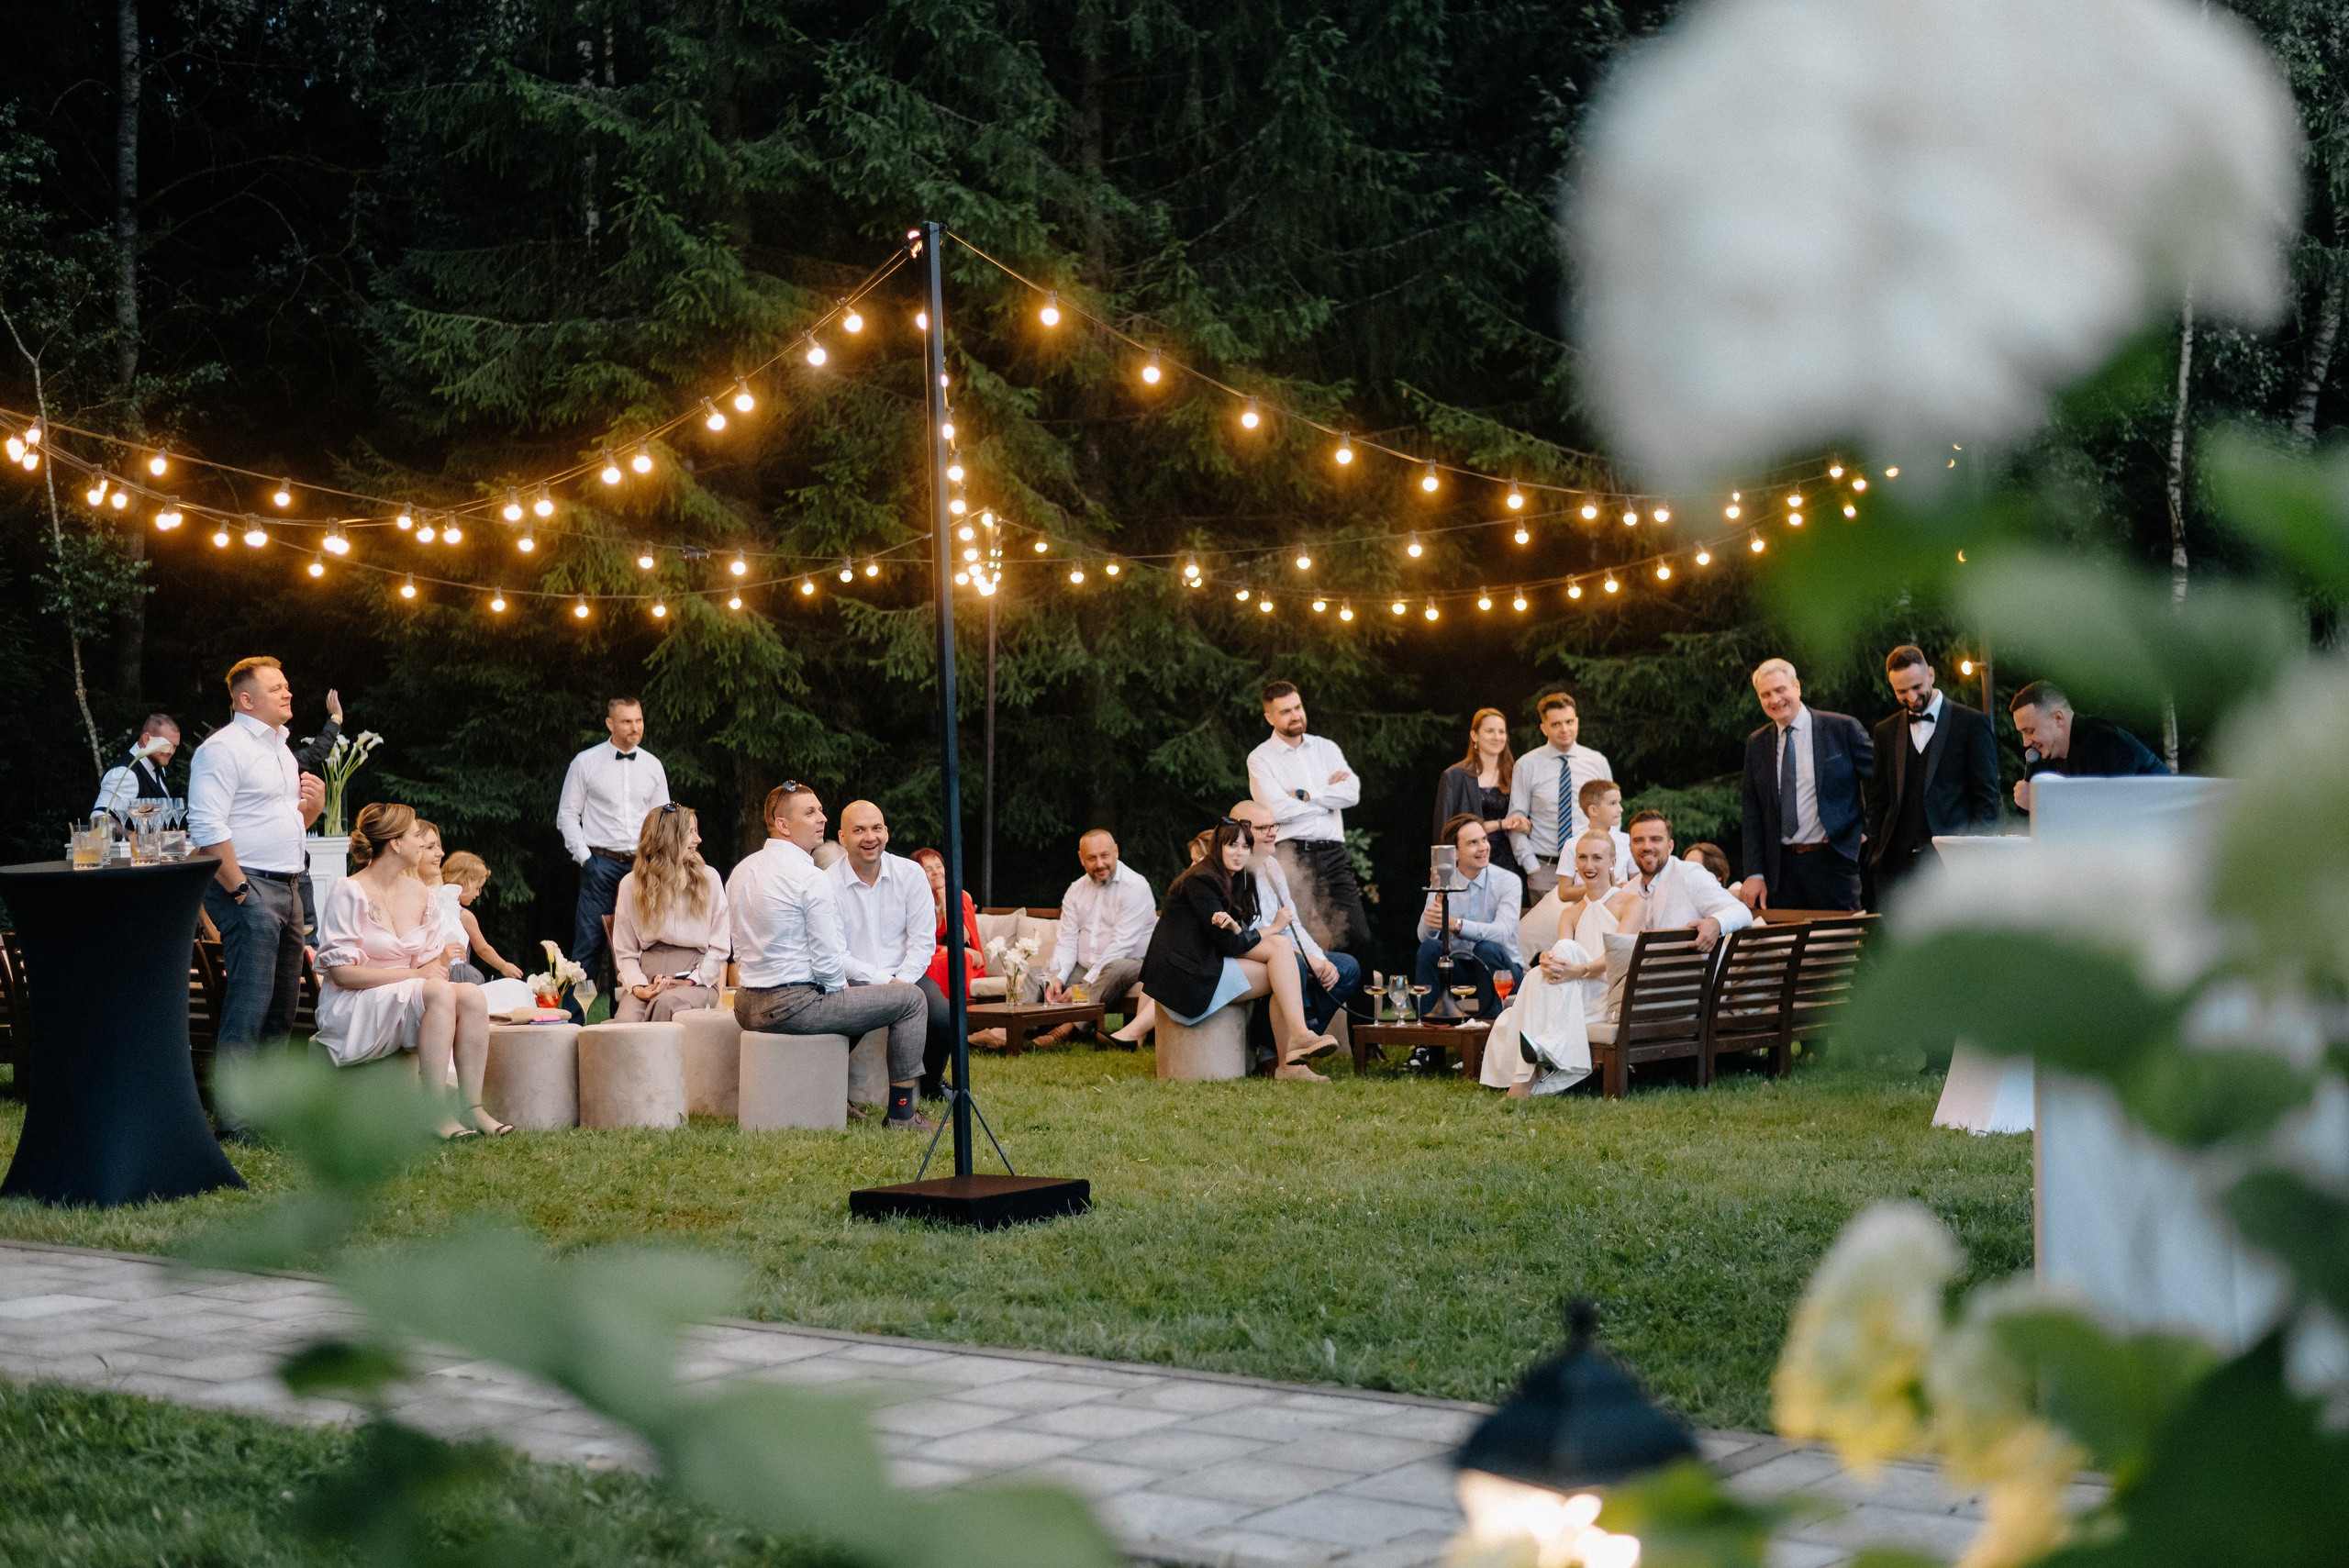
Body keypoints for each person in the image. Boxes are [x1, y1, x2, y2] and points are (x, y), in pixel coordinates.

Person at [727, 783, 933, 1130]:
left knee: (859, 1000)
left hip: (746, 1005)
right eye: (810, 812)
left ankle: (834, 1096)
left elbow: (737, 943)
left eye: (821, 810)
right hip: (793, 1005)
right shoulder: (811, 877)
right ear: (783, 825)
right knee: (911, 999)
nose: (822, 818)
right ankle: (902, 1115)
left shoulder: (743, 869)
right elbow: (829, 966)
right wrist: (846, 1000)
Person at [187, 657, 327, 1137]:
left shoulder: (282, 750)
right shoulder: (222, 750)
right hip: (248, 885)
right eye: (277, 688)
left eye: (287, 685)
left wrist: (315, 809)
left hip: (288, 885)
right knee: (249, 1004)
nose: (289, 693)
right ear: (246, 699)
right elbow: (206, 827)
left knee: (282, 1006)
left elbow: (281, 824)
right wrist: (241, 890)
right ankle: (234, 1119)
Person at [313, 803, 505, 1139]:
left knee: (472, 994)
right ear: (396, 844)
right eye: (418, 836)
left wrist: (425, 974)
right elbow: (343, 975)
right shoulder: (350, 891)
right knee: (437, 989)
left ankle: (472, 1107)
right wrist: (415, 976)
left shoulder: (420, 894)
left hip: (410, 1000)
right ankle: (432, 1111)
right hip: (356, 1003)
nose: (426, 845)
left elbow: (433, 966)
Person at [1136, 817, 1341, 1081]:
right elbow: (1230, 943)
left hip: (1208, 958)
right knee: (1281, 962)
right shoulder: (1201, 879)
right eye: (1232, 845)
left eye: (1245, 847)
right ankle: (1293, 1053)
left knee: (1281, 956)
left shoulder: (1234, 878)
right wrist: (1274, 927)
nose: (1239, 852)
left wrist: (1243, 929)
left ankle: (1295, 1051)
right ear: (1217, 846)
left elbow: (1232, 937)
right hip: (1185, 976)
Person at [1484, 831, 1642, 1097]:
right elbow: (1562, 957)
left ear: (1613, 861)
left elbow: (1619, 955)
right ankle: (1532, 1072)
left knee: (1550, 964)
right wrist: (1548, 960)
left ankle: (1526, 1077)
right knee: (1540, 970)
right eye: (1582, 858)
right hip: (1571, 989)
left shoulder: (1632, 903)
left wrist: (1580, 969)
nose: (1589, 866)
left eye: (1597, 858)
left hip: (1607, 993)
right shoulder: (1569, 912)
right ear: (1576, 863)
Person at [555, 697, 671, 1020]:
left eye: (639, 721)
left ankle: (637, 1019)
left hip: (642, 867)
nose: (635, 728)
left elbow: (663, 820)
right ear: (610, 724)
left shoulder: (652, 765)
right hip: (600, 865)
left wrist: (657, 861)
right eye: (626, 722)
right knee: (588, 948)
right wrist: (586, 860)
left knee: (644, 944)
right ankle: (573, 1022)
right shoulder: (586, 762)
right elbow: (567, 815)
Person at [1228, 798, 1363, 1067]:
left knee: (1347, 967)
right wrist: (1305, 958)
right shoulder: (1232, 872)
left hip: (1283, 951)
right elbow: (1245, 938)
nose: (1272, 832)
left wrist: (1318, 959)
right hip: (1250, 956)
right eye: (1263, 827)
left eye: (1273, 825)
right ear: (1241, 831)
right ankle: (1274, 1053)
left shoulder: (1272, 867)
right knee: (1297, 964)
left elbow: (1292, 926)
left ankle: (1284, 1044)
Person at [1865, 645, 2002, 902]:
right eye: (1901, 691)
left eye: (1916, 687)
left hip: (1951, 865)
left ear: (1931, 674)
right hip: (1897, 866)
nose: (1911, 697)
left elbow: (1987, 798)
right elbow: (1879, 801)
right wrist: (1876, 854)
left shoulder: (1971, 723)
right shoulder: (1885, 730)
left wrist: (1980, 860)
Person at [1247, 681, 1372, 956]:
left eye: (1298, 707)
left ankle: (1348, 1000)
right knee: (1294, 942)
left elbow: (1352, 794)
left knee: (1358, 938)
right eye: (1285, 712)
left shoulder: (1326, 749)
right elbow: (1277, 810)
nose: (1295, 716)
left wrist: (1305, 796)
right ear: (1269, 717)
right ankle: (1301, 1001)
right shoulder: (1260, 758)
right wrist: (1328, 800)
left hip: (1332, 855)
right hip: (1290, 855)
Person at [1738, 658, 1872, 913]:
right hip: (1782, 871)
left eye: (1780, 690)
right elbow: (1752, 811)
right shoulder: (1757, 744)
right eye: (1765, 694)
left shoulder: (1841, 729)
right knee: (1790, 948)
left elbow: (1883, 780)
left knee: (1841, 944)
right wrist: (1754, 872)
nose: (1774, 700)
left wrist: (1866, 829)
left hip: (1834, 862)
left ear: (1796, 687)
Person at [828, 802, 943, 1086]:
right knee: (834, 1031)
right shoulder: (826, 883)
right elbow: (837, 954)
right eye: (859, 830)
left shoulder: (911, 874)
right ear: (843, 838)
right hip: (851, 981)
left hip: (907, 976)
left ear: (887, 833)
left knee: (944, 1019)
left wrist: (901, 983)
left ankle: (931, 1085)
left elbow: (922, 942)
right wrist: (886, 984)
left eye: (876, 828)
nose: (870, 837)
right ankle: (833, 1093)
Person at [613, 803, 729, 1022]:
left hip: (697, 980)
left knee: (664, 1004)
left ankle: (661, 1058)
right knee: (624, 1025)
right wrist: (638, 987)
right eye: (691, 832)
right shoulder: (632, 885)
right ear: (668, 838)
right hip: (648, 978)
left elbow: (720, 947)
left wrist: (692, 980)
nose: (698, 839)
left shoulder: (709, 878)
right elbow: (625, 952)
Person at [1034, 829, 1156, 1025]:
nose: (1099, 864)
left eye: (1104, 856)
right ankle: (1009, 1030)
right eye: (1092, 858)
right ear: (1081, 858)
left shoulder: (1136, 886)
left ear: (1116, 851)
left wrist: (1083, 986)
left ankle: (1067, 1029)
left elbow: (1120, 947)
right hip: (1087, 967)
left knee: (1114, 969)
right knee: (1037, 976)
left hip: (1131, 963)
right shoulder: (1075, 890)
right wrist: (1057, 978)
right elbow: (1067, 940)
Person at [1413, 816, 1524, 1024]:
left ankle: (1488, 1038)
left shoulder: (1508, 881)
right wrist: (1437, 895)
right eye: (1473, 843)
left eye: (1484, 839)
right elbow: (1424, 936)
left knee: (1486, 949)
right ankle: (1428, 1043)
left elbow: (1501, 934)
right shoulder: (1444, 879)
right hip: (1460, 969)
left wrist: (1457, 925)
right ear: (1454, 852)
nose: (1483, 847)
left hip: (1503, 971)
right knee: (1429, 949)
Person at [1507, 693, 1615, 902]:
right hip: (1545, 871)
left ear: (1577, 722)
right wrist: (1531, 866)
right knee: (1545, 934)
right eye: (1556, 724)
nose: (1565, 729)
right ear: (1544, 728)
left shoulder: (1597, 762)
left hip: (1590, 869)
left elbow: (1612, 816)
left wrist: (1609, 860)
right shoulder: (1526, 765)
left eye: (1569, 722)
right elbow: (1516, 820)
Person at [2009, 680, 2168, 813]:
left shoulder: (2102, 741)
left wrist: (2039, 803)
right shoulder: (2056, 754)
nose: (2026, 742)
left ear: (2058, 718)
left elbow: (2104, 815)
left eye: (2030, 731)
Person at [911, 846, 985, 1096]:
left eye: (939, 867)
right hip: (929, 958)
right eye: (928, 868)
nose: (935, 873)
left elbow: (961, 937)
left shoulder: (959, 896)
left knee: (956, 958)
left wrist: (945, 899)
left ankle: (947, 1015)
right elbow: (923, 943)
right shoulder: (917, 897)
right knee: (942, 960)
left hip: (957, 959)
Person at [1627, 810, 1753, 951]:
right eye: (1638, 840)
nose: (1647, 847)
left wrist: (1716, 923)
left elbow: (1741, 911)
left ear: (1670, 847)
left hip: (1694, 971)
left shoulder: (1689, 874)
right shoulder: (1627, 891)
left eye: (1656, 839)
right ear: (1630, 847)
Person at [1434, 708, 1524, 885]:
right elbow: (1445, 830)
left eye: (1501, 731)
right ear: (1474, 735)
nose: (1497, 737)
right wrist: (1442, 881)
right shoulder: (1454, 776)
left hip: (1511, 862)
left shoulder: (1517, 773)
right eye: (1490, 731)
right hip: (1470, 863)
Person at [440, 851, 524, 982]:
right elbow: (482, 949)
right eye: (477, 888)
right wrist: (503, 966)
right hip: (456, 975)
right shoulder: (464, 916)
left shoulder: (434, 905)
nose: (478, 893)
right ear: (465, 882)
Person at [94, 714, 181, 824]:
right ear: (147, 739)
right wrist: (131, 836)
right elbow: (98, 818)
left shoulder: (158, 768)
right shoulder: (124, 773)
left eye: (175, 746)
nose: (171, 752)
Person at [1578, 778, 1636, 883]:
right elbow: (1564, 892)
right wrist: (1606, 888)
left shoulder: (1627, 840)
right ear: (1593, 810)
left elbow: (1637, 881)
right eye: (1613, 803)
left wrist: (1627, 887)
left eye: (1619, 802)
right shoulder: (1574, 842)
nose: (1620, 809)